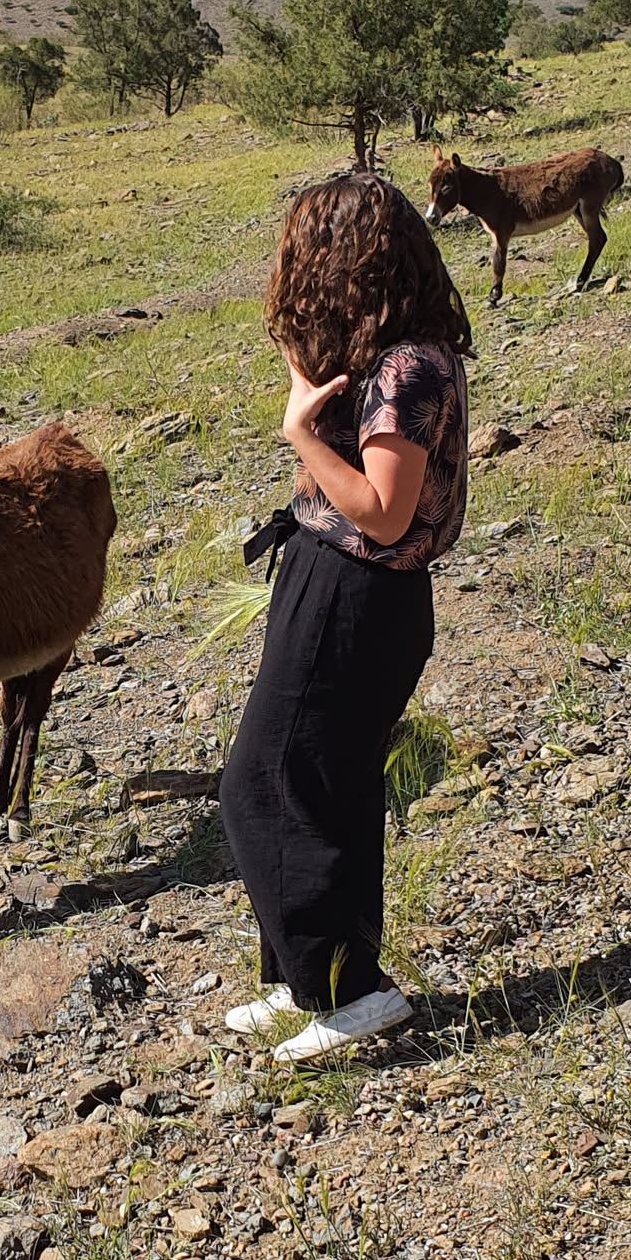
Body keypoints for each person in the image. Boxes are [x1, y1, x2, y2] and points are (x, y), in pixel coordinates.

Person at [220, 167, 472, 1064]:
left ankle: (349, 991)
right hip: (348, 588)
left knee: (263, 781)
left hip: (358, 591)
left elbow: (384, 513)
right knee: (330, 783)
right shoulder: (397, 354)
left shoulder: (405, 370)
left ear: (346, 262)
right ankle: (308, 977)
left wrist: (298, 433)